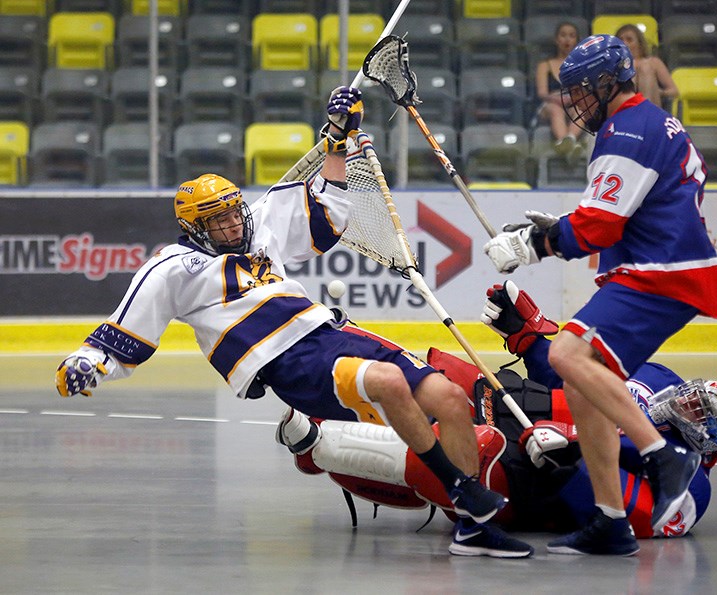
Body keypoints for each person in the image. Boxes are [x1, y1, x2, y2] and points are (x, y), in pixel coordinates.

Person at [54, 86, 529, 558]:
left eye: (233, 213)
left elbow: (328, 210)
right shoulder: (173, 268)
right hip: (287, 363)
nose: (233, 225)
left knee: (449, 397)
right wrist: (86, 363)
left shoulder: (258, 226)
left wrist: (339, 139)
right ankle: (461, 489)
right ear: (195, 227)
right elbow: (125, 330)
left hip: (329, 332)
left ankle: (472, 530)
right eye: (218, 221)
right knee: (387, 382)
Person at [482, 35, 717, 556]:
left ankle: (662, 453)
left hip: (660, 272)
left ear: (608, 82)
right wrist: (556, 229)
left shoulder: (628, 130)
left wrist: (532, 245)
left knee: (566, 353)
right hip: (662, 268)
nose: (574, 102)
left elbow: (598, 226)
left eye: (580, 90)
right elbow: (616, 215)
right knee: (582, 384)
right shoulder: (645, 122)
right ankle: (611, 522)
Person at [277, 282, 717, 547]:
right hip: (519, 407)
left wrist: (569, 463)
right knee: (437, 384)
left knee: (469, 457)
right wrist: (527, 335)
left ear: (706, 444)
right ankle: (331, 406)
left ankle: (317, 449)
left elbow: (637, 515)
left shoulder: (690, 484)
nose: (686, 404)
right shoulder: (659, 376)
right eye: (695, 397)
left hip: (531, 481)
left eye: (699, 414)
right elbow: (575, 371)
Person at [534, 21, 586, 163]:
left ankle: (569, 141)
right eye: (563, 35)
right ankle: (568, 143)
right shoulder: (545, 65)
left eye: (571, 36)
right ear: (557, 40)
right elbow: (542, 93)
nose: (567, 39)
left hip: (574, 103)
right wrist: (559, 99)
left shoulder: (583, 65)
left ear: (577, 40)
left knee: (582, 109)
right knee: (556, 109)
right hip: (551, 104)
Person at [614, 24, 678, 110]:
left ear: (639, 44)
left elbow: (673, 91)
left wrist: (658, 92)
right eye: (621, 40)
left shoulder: (654, 62)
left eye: (629, 40)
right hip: (622, 107)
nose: (625, 43)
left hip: (651, 106)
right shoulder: (614, 64)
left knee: (646, 67)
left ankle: (646, 116)